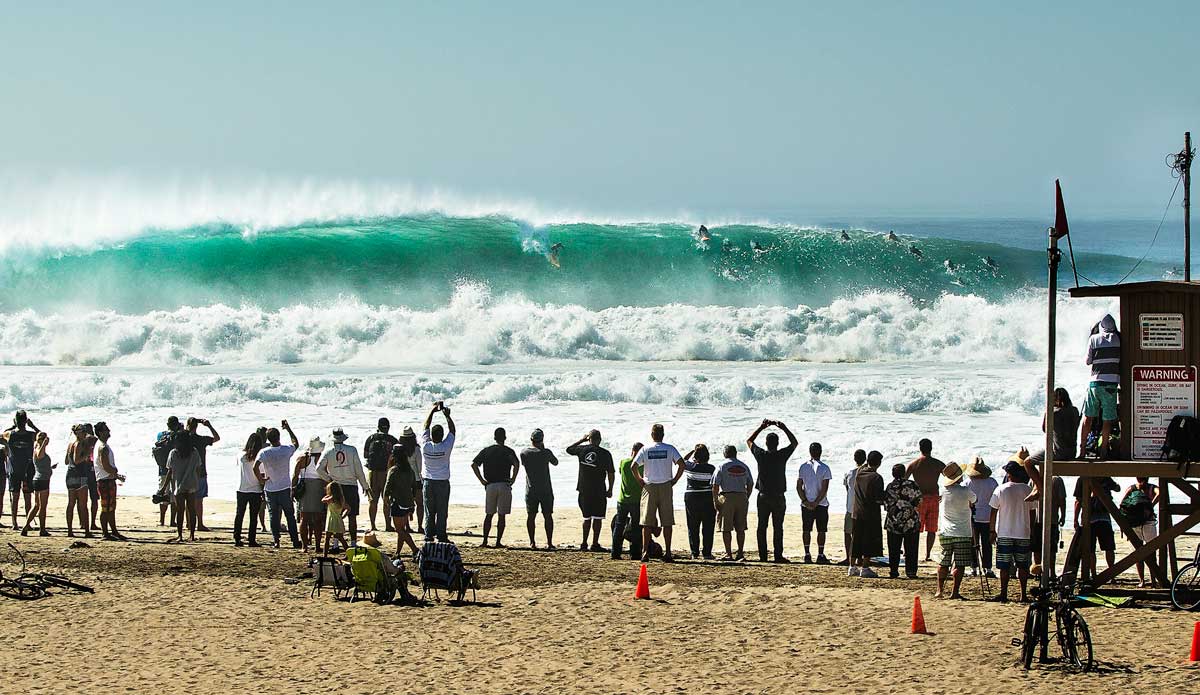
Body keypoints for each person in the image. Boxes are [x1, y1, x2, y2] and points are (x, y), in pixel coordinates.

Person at [632, 424, 686, 562]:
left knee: (647, 522)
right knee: (667, 522)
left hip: (649, 486)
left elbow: (634, 466)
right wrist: (675, 480)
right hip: (665, 486)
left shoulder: (646, 449)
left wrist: (640, 480)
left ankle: (645, 552)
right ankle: (668, 552)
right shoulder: (669, 448)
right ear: (663, 435)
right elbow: (681, 464)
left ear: (652, 435)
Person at [747, 419, 798, 563]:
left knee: (762, 527)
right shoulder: (781, 455)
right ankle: (778, 555)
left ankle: (763, 556)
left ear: (766, 444)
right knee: (778, 527)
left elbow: (749, 440)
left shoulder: (761, 454)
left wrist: (761, 427)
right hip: (778, 497)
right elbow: (794, 443)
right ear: (777, 444)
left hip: (763, 496)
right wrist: (784, 428)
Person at [990, 461, 1036, 603]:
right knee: (1022, 566)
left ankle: (1004, 593)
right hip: (1023, 532)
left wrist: (992, 530)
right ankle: (1023, 594)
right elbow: (1033, 513)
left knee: (1004, 566)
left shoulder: (1001, 489)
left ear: (1009, 475)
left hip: (1005, 532)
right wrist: (1032, 530)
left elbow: (993, 511)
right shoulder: (1027, 490)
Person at [317, 428, 370, 547]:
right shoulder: (352, 450)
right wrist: (365, 486)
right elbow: (359, 470)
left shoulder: (328, 452)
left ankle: (335, 544)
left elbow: (318, 469)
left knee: (336, 515)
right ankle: (353, 543)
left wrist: (329, 479)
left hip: (336, 487)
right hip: (351, 486)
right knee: (352, 516)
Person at [254, 420, 302, 549]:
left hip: (270, 488)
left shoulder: (264, 452)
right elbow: (296, 443)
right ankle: (295, 540)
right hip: (284, 487)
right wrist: (289, 429)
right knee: (289, 516)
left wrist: (261, 479)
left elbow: (255, 467)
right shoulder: (285, 450)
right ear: (278, 437)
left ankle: (276, 541)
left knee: (273, 516)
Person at [471, 427, 520, 548]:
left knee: (489, 514)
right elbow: (516, 464)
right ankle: (498, 542)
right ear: (505, 438)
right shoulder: (508, 451)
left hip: (490, 485)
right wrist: (513, 479)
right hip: (504, 484)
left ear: (494, 438)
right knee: (501, 515)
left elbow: (474, 465)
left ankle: (485, 541)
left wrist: (482, 480)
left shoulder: (487, 450)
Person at [567, 429, 615, 552]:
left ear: (589, 439)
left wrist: (582, 440)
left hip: (584, 489)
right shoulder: (605, 453)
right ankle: (594, 543)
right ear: (600, 440)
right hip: (598, 490)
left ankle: (584, 543)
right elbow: (611, 473)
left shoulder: (582, 450)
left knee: (586, 518)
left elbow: (569, 449)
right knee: (597, 518)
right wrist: (610, 489)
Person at [1080, 314, 1120, 459]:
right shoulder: (1118, 339)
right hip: (1111, 384)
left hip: (1095, 383)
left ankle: (1083, 450)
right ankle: (1103, 451)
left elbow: (1088, 361)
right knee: (1107, 420)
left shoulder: (1094, 339)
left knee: (1088, 417)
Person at [934, 462, 975, 599]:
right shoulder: (965, 491)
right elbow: (975, 500)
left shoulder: (943, 491)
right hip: (962, 532)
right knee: (960, 563)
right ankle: (954, 592)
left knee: (943, 562)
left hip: (946, 531)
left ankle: (939, 591)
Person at [421, 401, 456, 543]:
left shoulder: (426, 446)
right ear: (442, 436)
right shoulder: (446, 446)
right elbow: (452, 431)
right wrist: (447, 416)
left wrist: (432, 411)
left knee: (429, 511)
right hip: (442, 482)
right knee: (442, 511)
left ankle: (429, 535)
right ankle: (441, 535)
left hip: (428, 482)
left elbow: (425, 427)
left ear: (432, 436)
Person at [906, 438, 946, 562]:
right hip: (934, 497)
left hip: (920, 499)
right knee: (932, 529)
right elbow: (951, 479)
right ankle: (927, 554)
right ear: (931, 448)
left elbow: (904, 481)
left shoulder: (914, 464)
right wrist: (946, 494)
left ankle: (914, 553)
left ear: (920, 448)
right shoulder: (938, 464)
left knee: (916, 529)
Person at [1074, 475, 1120, 580]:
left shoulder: (1083, 478)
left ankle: (1096, 574)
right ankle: (1110, 573)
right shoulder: (1104, 477)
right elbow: (1117, 488)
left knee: (1092, 549)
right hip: (1101, 518)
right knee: (1105, 548)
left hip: (1091, 518)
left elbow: (1078, 501)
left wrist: (1075, 519)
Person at [712, 445, 754, 561]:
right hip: (741, 496)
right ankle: (740, 552)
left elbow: (715, 485)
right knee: (740, 527)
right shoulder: (744, 466)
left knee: (726, 528)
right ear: (735, 454)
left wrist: (715, 500)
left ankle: (728, 553)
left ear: (725, 454)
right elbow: (750, 483)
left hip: (727, 497)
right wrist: (747, 496)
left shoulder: (722, 466)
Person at [520, 429, 558, 550]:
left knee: (531, 516)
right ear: (542, 440)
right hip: (545, 489)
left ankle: (532, 542)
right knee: (548, 515)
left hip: (531, 489)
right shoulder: (546, 452)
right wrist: (543, 448)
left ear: (531, 440)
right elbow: (555, 462)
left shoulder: (524, 452)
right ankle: (549, 542)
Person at [795, 442, 832, 564]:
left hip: (807, 503)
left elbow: (799, 486)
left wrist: (805, 501)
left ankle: (807, 554)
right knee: (821, 530)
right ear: (820, 452)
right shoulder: (825, 468)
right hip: (821, 503)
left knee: (806, 529)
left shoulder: (803, 466)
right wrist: (816, 502)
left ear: (810, 452)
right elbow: (824, 488)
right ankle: (820, 554)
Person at [850, 451, 886, 578]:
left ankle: (852, 567)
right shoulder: (876, 477)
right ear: (879, 463)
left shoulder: (860, 474)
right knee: (868, 541)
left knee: (856, 539)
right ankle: (865, 567)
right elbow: (878, 498)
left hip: (857, 512)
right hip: (870, 513)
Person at [2, 410, 39, 530]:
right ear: (26, 421)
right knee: (27, 497)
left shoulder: (10, 434)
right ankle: (27, 524)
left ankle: (14, 523)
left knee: (15, 497)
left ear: (16, 421)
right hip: (28, 469)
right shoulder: (31, 435)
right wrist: (32, 426)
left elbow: (1, 434)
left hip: (14, 469)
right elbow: (43, 436)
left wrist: (13, 426)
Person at [883, 463, 921, 579]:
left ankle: (894, 571)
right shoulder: (912, 485)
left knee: (893, 547)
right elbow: (919, 500)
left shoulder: (890, 486)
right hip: (910, 521)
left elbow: (886, 504)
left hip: (893, 521)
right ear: (904, 473)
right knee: (911, 548)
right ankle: (911, 571)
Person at [163, 430, 202, 543]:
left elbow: (170, 472)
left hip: (178, 486)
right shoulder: (194, 452)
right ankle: (192, 535)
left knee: (180, 511)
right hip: (192, 484)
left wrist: (164, 487)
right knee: (192, 510)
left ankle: (180, 535)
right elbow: (198, 468)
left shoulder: (174, 453)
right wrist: (196, 480)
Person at [1120, 477, 1160, 587]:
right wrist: (1151, 505)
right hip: (1148, 522)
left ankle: (1142, 581)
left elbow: (1122, 504)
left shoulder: (1131, 488)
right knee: (1151, 552)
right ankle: (1153, 580)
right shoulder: (1152, 488)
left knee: (1138, 553)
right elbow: (1160, 493)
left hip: (1134, 523)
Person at [681, 444, 717, 560]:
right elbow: (715, 484)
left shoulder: (690, 466)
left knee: (693, 526)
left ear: (696, 456)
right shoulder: (711, 468)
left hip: (691, 497)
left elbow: (681, 460)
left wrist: (692, 451)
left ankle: (694, 552)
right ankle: (707, 553)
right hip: (707, 497)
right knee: (708, 526)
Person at [92, 422, 126, 541]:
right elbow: (105, 465)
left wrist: (115, 475)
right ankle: (105, 533)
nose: (109, 431)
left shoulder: (102, 445)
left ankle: (113, 531)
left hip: (107, 479)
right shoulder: (102, 447)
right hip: (105, 480)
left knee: (111, 507)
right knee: (106, 507)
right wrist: (114, 471)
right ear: (101, 432)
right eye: (106, 430)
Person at [964, 457, 998, 578]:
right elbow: (996, 500)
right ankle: (988, 568)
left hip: (972, 517)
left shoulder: (968, 483)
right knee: (987, 544)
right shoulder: (992, 482)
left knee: (973, 543)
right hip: (988, 517)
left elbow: (965, 499)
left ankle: (974, 568)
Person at [185, 417, 220, 532]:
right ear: (197, 426)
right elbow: (217, 438)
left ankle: (189, 523)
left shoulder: (184, 439)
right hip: (200, 472)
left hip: (186, 473)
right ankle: (199, 523)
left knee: (187, 498)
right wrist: (209, 425)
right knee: (199, 500)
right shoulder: (200, 439)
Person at [363, 417, 398, 532]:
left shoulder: (370, 438)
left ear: (378, 427)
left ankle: (373, 525)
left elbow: (365, 455)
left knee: (373, 501)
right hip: (386, 472)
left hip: (372, 473)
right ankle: (388, 525)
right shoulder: (392, 440)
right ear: (388, 427)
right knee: (386, 500)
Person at [385, 443, 420, 558]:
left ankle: (415, 550)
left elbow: (388, 486)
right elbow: (414, 486)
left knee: (399, 530)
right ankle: (398, 553)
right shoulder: (409, 470)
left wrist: (386, 499)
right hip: (409, 503)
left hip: (398, 503)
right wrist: (412, 499)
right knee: (402, 529)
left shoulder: (394, 470)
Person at [293, 437, 326, 553]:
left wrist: (292, 489)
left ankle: (304, 546)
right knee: (318, 519)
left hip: (305, 487)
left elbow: (295, 475)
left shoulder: (302, 458)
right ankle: (317, 546)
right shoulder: (323, 459)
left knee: (304, 518)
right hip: (318, 487)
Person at [611, 443, 644, 560]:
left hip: (622, 499)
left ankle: (615, 552)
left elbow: (620, 471)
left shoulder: (624, 462)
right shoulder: (642, 466)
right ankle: (634, 553)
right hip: (636, 500)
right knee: (636, 527)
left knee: (619, 526)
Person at [234, 431, 265, 547]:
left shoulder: (241, 455)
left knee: (239, 514)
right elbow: (261, 474)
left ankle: (237, 537)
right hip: (255, 489)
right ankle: (252, 539)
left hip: (241, 488)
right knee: (253, 516)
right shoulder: (259, 458)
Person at [20, 432, 53, 537]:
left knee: (36, 506)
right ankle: (42, 529)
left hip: (38, 479)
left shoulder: (36, 448)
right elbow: (40, 455)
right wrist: (44, 443)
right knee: (42, 506)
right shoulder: (38, 449)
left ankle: (26, 527)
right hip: (42, 480)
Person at [152, 416, 183, 526]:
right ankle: (172, 521)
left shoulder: (160, 435)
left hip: (162, 469)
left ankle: (162, 520)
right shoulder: (176, 436)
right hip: (174, 469)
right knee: (174, 495)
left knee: (163, 494)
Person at [64, 424, 93, 538]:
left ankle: (70, 530)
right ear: (78, 433)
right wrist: (86, 454)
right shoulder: (79, 444)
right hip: (80, 474)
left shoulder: (70, 444)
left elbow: (67, 461)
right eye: (83, 431)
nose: (85, 433)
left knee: (71, 503)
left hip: (70, 474)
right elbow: (76, 460)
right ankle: (86, 531)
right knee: (83, 504)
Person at [397, 427, 424, 535]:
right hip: (416, 479)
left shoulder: (399, 449)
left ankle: (407, 526)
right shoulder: (416, 449)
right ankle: (420, 526)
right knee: (420, 504)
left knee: (406, 504)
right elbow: (420, 467)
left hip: (404, 480)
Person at [842, 449, 866, 565]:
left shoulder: (849, 473)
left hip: (850, 507)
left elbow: (847, 489)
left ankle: (849, 556)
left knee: (848, 533)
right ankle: (860, 558)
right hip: (862, 508)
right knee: (860, 534)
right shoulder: (867, 473)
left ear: (854, 459)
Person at [322, 482, 348, 554]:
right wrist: (343, 515)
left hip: (331, 520)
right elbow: (348, 508)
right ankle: (348, 553)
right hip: (338, 519)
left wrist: (327, 496)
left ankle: (325, 555)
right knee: (341, 538)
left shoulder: (331, 498)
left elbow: (323, 500)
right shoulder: (341, 499)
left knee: (327, 538)